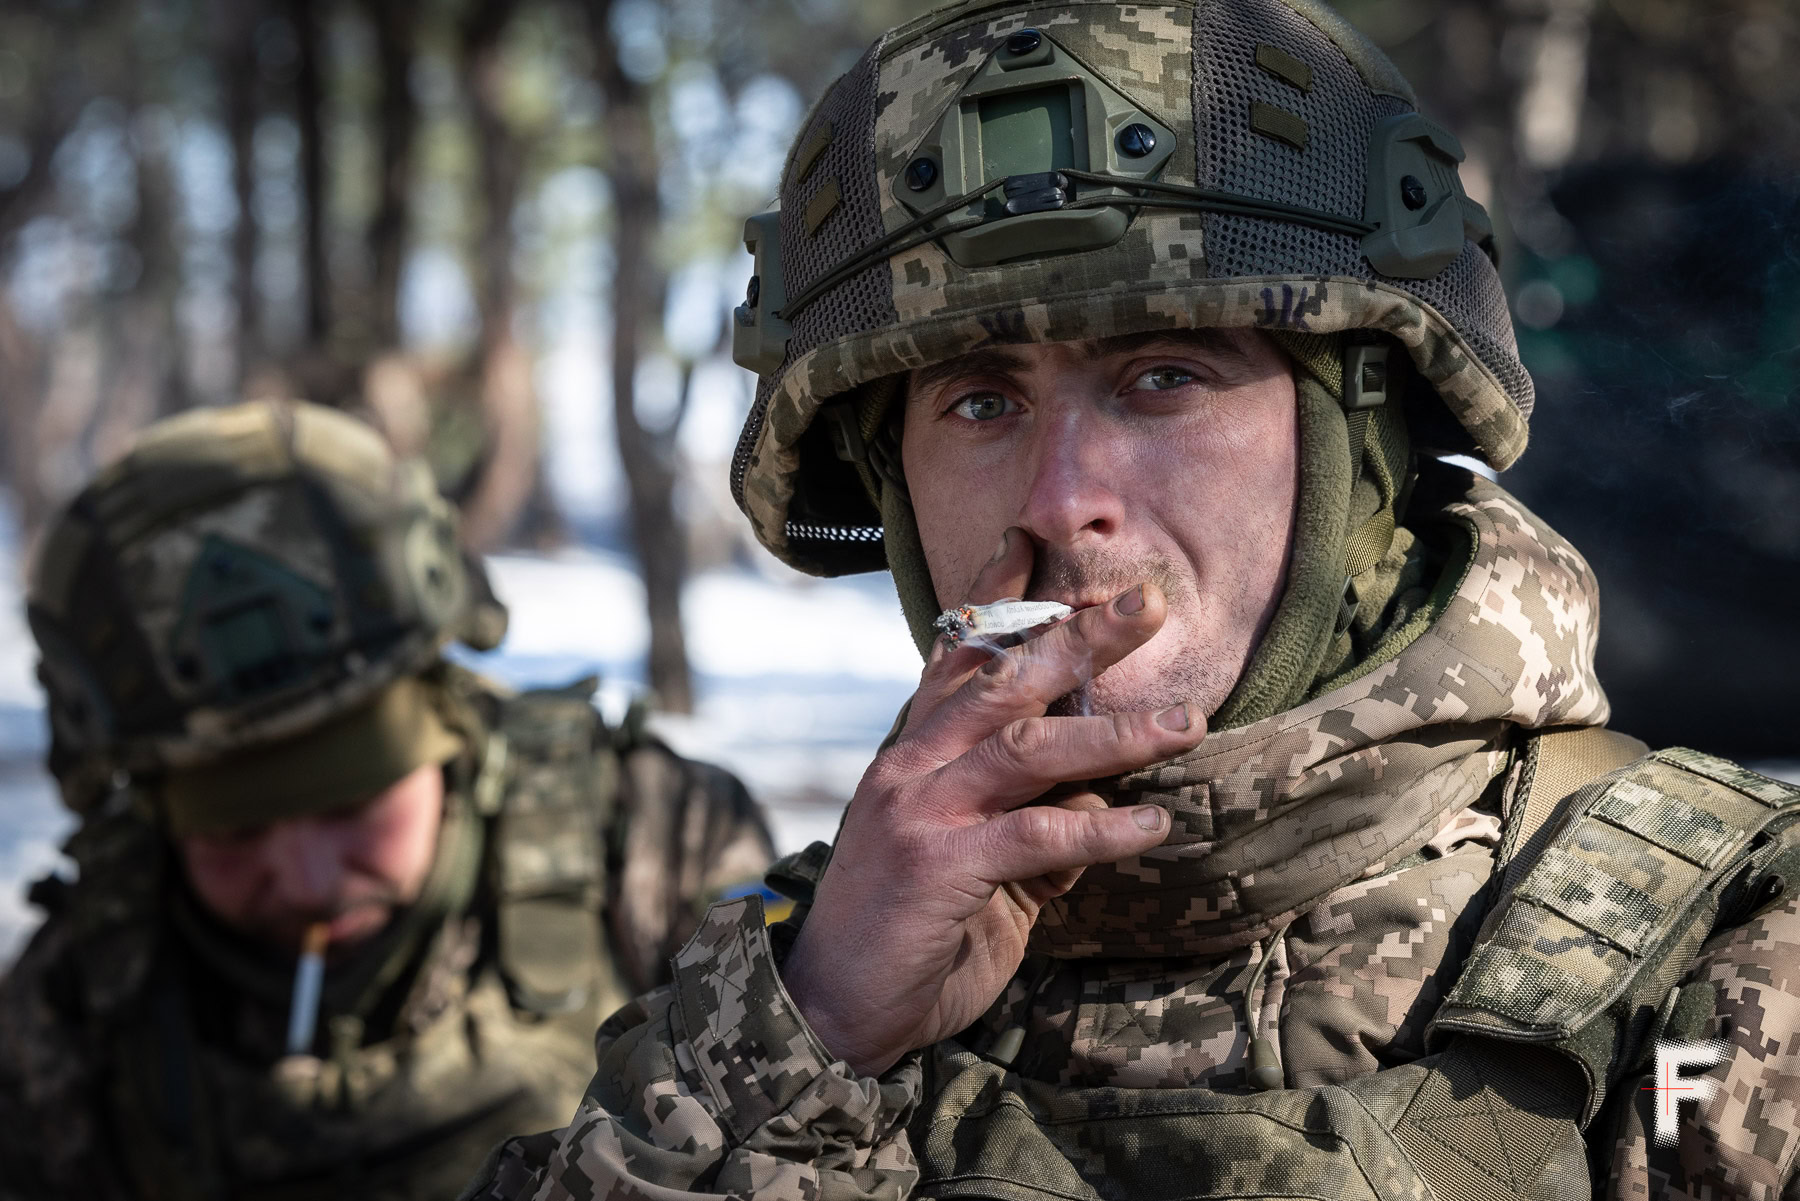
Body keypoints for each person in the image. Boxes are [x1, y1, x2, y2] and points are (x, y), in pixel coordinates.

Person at [465, 3, 1800, 1199]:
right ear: (891, 484)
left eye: (1163, 377)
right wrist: (796, 1054)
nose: (1060, 498)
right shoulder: (798, 979)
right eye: (981, 403)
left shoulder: (1728, 967)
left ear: (1364, 440)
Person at [0, 399, 775, 1200]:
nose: (305, 876)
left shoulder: (653, 842)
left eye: (349, 805)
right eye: (233, 827)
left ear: (446, 727)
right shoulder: (89, 986)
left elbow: (821, 1149)